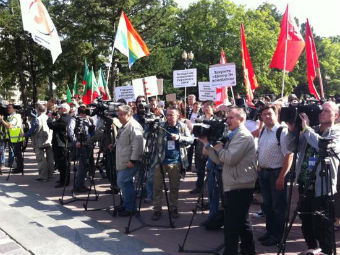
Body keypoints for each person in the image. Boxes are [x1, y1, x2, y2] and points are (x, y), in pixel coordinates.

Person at [200, 107, 257, 255]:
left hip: (240, 186)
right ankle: (248, 251)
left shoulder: (243, 136)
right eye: (228, 117)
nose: (228, 120)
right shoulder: (233, 135)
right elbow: (220, 160)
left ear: (241, 119)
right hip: (233, 184)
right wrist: (207, 144)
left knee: (231, 226)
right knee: (243, 223)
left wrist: (218, 148)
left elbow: (230, 159)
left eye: (232, 117)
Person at [286, 101, 340, 254]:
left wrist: (306, 128)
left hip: (322, 188)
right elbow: (290, 147)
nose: (321, 112)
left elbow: (323, 146)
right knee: (307, 226)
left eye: (326, 110)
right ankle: (312, 251)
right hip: (305, 185)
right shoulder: (311, 130)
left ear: (335, 115)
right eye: (320, 110)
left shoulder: (336, 132)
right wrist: (292, 131)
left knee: (322, 228)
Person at [257, 105, 293, 246]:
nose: (267, 116)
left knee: (278, 206)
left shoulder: (281, 131)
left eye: (270, 113)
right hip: (264, 173)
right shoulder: (263, 131)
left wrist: (282, 176)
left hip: (277, 173)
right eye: (264, 114)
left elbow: (288, 155)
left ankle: (278, 235)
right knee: (268, 205)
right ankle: (270, 231)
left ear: (276, 115)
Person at [151, 106, 194, 220]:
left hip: (176, 162)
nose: (169, 117)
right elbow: (148, 136)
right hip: (160, 161)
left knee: (174, 188)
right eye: (168, 114)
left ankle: (173, 208)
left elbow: (191, 140)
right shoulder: (160, 126)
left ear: (178, 115)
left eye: (172, 115)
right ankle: (157, 210)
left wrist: (179, 137)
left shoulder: (182, 126)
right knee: (157, 188)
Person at [115, 105, 144, 216]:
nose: (119, 116)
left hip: (130, 161)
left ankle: (130, 208)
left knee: (123, 181)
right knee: (126, 183)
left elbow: (138, 144)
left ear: (129, 114)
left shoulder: (134, 126)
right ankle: (127, 205)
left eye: (121, 114)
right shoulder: (125, 125)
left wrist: (133, 160)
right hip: (123, 160)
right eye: (119, 114)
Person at [23, 104, 54, 181]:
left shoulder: (37, 119)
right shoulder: (49, 118)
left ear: (38, 110)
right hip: (49, 141)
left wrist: (25, 135)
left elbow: (33, 130)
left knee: (41, 159)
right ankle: (50, 175)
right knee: (50, 159)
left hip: (39, 141)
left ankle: (43, 176)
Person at [47, 103, 70, 188]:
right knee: (61, 163)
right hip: (60, 143)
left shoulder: (64, 119)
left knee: (63, 163)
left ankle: (64, 181)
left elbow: (52, 125)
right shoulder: (65, 117)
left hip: (61, 144)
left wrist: (49, 118)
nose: (58, 111)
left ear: (64, 109)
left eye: (60, 109)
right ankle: (63, 179)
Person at [0, 104, 24, 173]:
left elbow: (9, 126)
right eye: (8, 108)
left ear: (14, 109)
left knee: (18, 155)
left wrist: (2, 120)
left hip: (17, 139)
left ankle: (19, 168)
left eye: (10, 108)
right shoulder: (12, 116)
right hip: (14, 138)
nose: (8, 109)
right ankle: (19, 168)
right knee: (17, 154)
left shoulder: (15, 117)